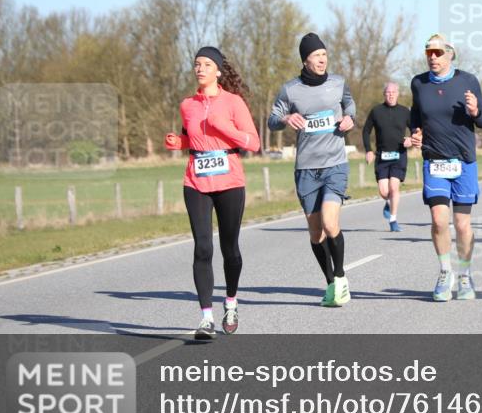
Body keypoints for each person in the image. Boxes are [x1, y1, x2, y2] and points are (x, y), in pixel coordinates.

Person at [165, 46, 260, 339]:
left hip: (230, 181)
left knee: (229, 249)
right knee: (202, 247)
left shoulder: (234, 103)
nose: (200, 68)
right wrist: (179, 143)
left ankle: (230, 302)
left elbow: (253, 143)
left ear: (218, 70)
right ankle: (206, 318)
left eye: (207, 64)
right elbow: (193, 138)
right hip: (196, 182)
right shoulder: (187, 105)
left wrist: (224, 128)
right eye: (197, 64)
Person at [269, 33, 356, 307]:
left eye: (324, 55)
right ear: (305, 60)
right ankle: (330, 282)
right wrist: (285, 117)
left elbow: (349, 103)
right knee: (316, 234)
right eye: (316, 56)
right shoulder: (290, 90)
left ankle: (341, 279)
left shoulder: (338, 83)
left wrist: (349, 118)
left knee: (331, 224)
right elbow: (272, 120)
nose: (322, 60)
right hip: (306, 168)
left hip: (335, 164)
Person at [410, 34, 482, 302]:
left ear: (450, 54)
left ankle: (465, 275)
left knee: (462, 224)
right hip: (434, 160)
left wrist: (475, 111)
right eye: (429, 53)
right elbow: (415, 116)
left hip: (463, 161)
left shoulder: (468, 81)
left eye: (437, 53)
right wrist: (415, 132)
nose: (432, 57)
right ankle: (446, 273)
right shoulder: (418, 83)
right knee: (438, 220)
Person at [362, 82, 412, 232]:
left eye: (393, 92)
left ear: (398, 94)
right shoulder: (376, 111)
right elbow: (366, 131)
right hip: (382, 156)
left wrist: (411, 139)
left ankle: (393, 219)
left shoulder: (405, 112)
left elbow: (416, 129)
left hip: (399, 154)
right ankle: (389, 203)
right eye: (388, 92)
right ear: (384, 94)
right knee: (384, 192)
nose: (391, 95)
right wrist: (369, 150)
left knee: (394, 187)